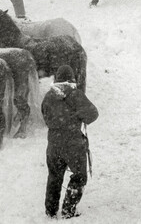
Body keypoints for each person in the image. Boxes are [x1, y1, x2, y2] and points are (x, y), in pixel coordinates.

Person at [41, 65, 99, 219]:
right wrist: (79, 116)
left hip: (53, 144)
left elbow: (45, 117)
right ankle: (68, 210)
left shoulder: (48, 97)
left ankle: (51, 211)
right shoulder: (75, 95)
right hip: (73, 144)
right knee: (79, 176)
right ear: (71, 79)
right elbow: (93, 114)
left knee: (54, 176)